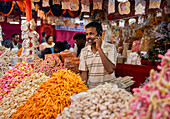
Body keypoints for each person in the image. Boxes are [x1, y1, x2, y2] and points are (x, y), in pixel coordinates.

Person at [78, 22, 117, 88]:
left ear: (100, 34)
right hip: (93, 92)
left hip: (109, 91)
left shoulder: (110, 48)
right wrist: (83, 90)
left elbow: (110, 69)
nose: (88, 37)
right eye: (87, 34)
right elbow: (84, 75)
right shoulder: (84, 51)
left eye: (91, 34)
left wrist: (99, 49)